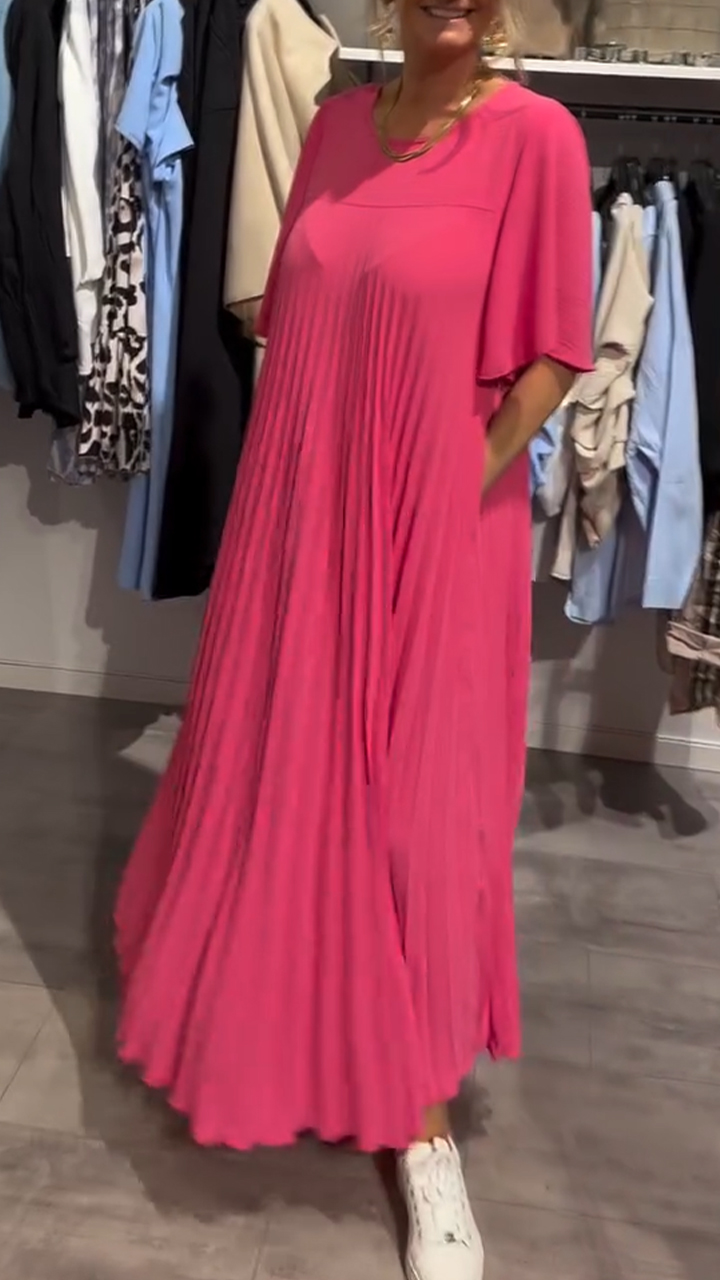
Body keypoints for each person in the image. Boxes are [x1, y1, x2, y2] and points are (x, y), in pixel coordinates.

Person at [115, 2, 593, 1276]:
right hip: (302, 511)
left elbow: (556, 354)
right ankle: (307, 1033)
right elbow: (293, 321)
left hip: (439, 527)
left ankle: (425, 1133)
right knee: (296, 781)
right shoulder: (333, 128)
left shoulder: (536, 138)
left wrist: (453, 484)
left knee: (419, 818)